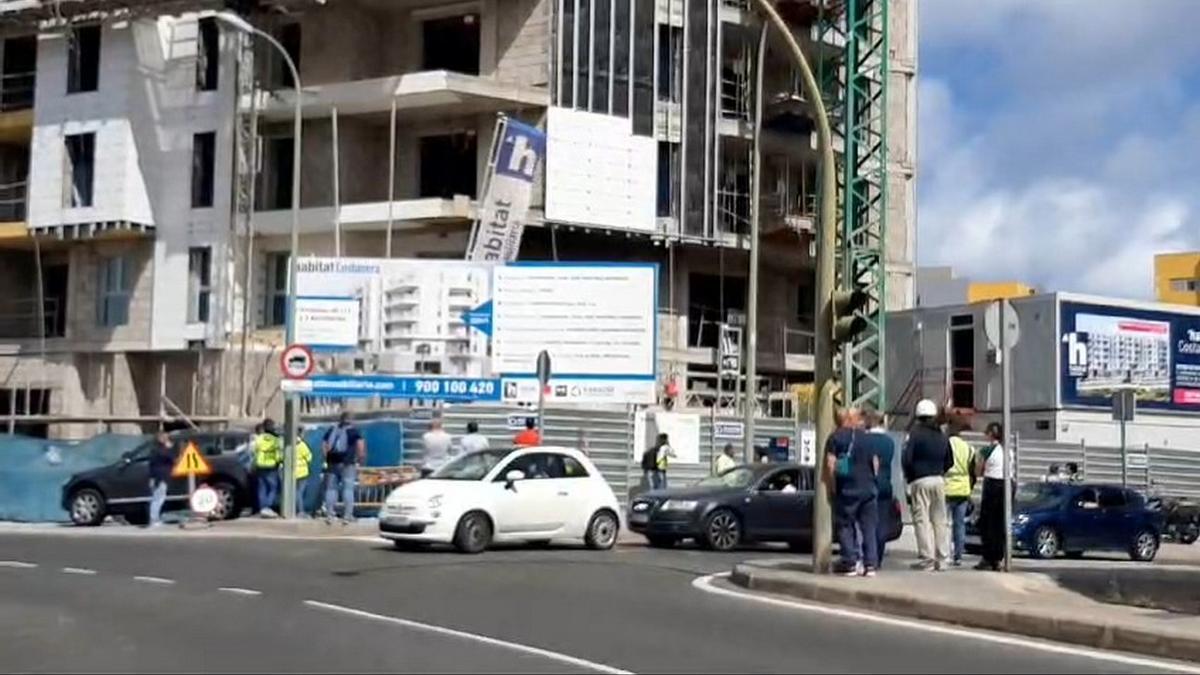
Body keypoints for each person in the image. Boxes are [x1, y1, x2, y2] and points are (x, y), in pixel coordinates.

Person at [826, 408, 879, 577]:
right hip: (868, 488)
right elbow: (875, 463)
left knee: (845, 525)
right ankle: (870, 564)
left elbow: (830, 464)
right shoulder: (867, 437)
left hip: (848, 489)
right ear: (854, 419)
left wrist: (833, 487)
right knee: (868, 528)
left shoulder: (835, 437)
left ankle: (850, 562)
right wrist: (872, 480)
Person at [902, 399, 954, 571]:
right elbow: (950, 460)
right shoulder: (942, 435)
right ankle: (943, 558)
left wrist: (910, 477)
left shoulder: (915, 434)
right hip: (938, 479)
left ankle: (927, 559)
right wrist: (939, 470)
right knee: (940, 520)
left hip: (920, 480)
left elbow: (907, 459)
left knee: (922, 519)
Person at [859, 408, 895, 569]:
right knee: (881, 525)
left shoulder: (864, 440)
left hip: (868, 484)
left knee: (866, 524)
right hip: (886, 486)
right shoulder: (890, 442)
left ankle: (867, 558)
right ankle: (878, 558)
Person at [944, 415, 976, 567]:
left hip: (947, 487)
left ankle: (945, 553)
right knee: (960, 524)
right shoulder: (968, 448)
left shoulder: (945, 444)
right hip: (963, 489)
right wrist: (970, 488)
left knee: (944, 524)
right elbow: (973, 471)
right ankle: (958, 555)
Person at [976, 422, 1008, 571]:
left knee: (987, 523)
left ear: (990, 434)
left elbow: (978, 470)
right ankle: (999, 558)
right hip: (1006, 485)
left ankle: (988, 557)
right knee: (1000, 523)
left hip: (992, 485)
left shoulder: (987, 450)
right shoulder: (1008, 450)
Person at [323, 412, 366, 525]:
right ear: (351, 419)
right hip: (348, 463)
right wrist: (360, 459)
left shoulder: (333, 429)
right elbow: (360, 446)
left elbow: (325, 445)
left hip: (332, 462)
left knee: (331, 489)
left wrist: (327, 458)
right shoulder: (354, 431)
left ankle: (330, 515)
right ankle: (347, 516)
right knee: (348, 489)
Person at [254, 419, 283, 518]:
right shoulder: (276, 439)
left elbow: (254, 451)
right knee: (273, 487)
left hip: (260, 465)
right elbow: (279, 454)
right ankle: (268, 507)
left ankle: (262, 507)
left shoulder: (259, 438)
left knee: (262, 487)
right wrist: (279, 461)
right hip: (271, 466)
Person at [147, 431, 176, 528]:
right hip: (161, 477)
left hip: (159, 477)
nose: (166, 439)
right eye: (165, 437)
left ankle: (154, 518)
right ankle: (153, 519)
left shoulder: (154, 449)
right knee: (158, 498)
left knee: (158, 498)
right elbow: (171, 458)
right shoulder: (160, 450)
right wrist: (169, 448)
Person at [294, 429, 314, 518]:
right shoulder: (302, 445)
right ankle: (300, 511)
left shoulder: (287, 443)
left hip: (290, 472)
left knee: (293, 492)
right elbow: (309, 458)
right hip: (302, 472)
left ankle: (291, 509)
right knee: (300, 493)